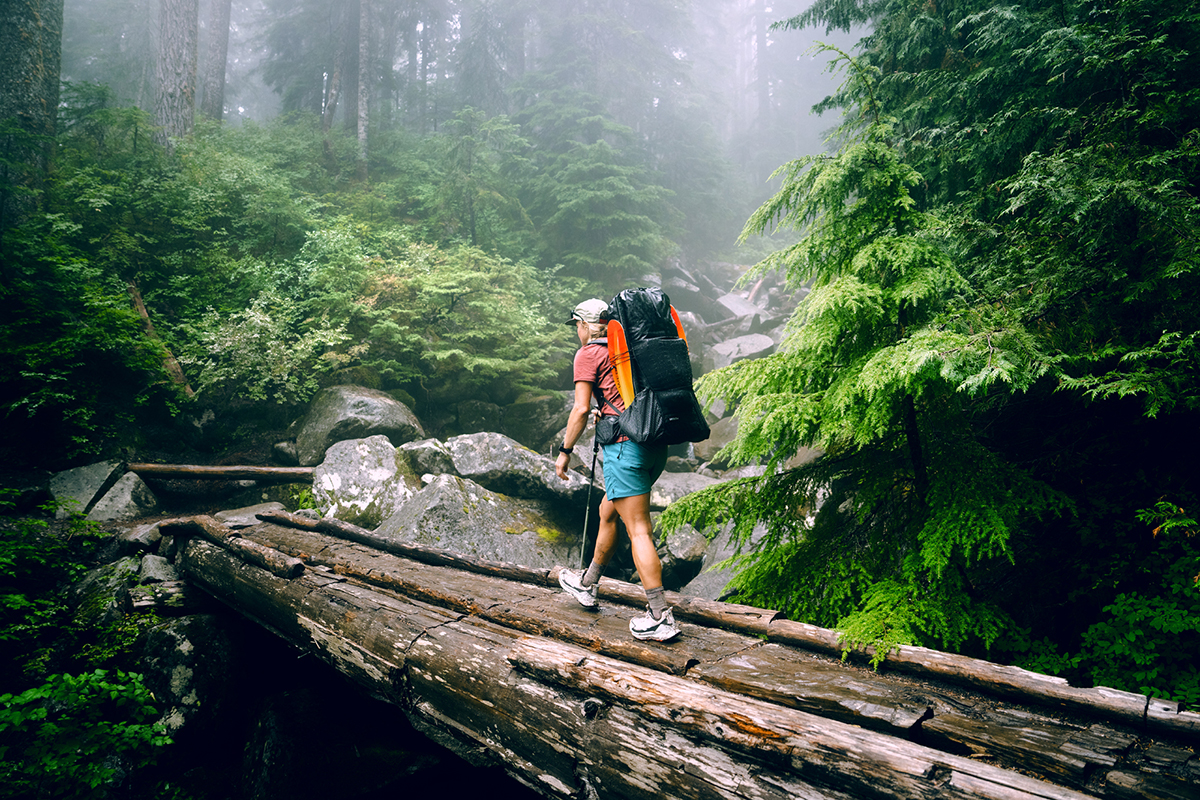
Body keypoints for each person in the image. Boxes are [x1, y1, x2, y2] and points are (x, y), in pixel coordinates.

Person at [553, 298, 679, 641]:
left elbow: (579, 410)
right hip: (655, 445)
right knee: (608, 510)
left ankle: (659, 616)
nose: (576, 332)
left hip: (625, 448)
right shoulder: (632, 347)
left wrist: (564, 452)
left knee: (638, 528)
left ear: (583, 325)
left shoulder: (589, 353)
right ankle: (587, 584)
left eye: (576, 326)